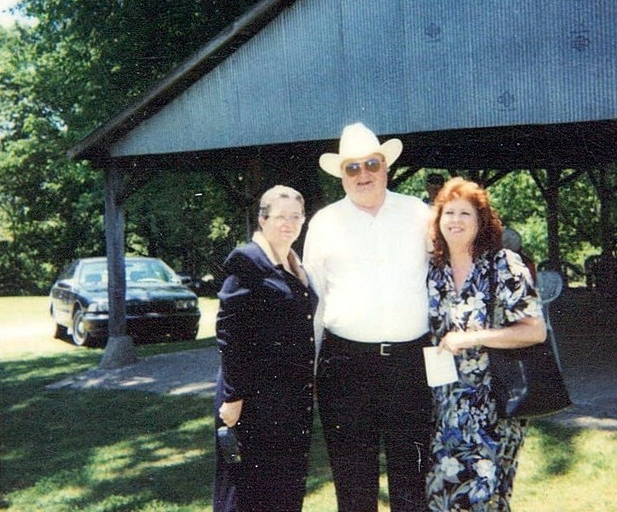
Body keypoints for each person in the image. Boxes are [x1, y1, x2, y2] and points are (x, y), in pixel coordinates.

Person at [304, 122, 432, 512]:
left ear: (385, 166)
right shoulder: (324, 222)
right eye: (352, 167)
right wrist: (310, 368)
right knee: (353, 482)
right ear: (341, 175)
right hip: (345, 366)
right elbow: (313, 299)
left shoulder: (419, 213)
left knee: (413, 479)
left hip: (411, 364)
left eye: (372, 164)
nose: (364, 174)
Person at [425, 177, 547, 511]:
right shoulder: (434, 270)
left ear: (481, 221)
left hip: (493, 404)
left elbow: (535, 330)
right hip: (443, 406)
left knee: (484, 497)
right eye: (449, 213)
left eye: (465, 213)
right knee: (441, 497)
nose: (456, 220)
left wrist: (473, 337)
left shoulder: (503, 264)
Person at [213, 185, 318, 512]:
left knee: (284, 489)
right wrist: (233, 397)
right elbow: (230, 332)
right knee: (248, 492)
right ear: (263, 220)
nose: (288, 223)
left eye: (296, 217)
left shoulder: (293, 264)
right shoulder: (249, 261)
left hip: (288, 400)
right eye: (280, 216)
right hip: (252, 401)